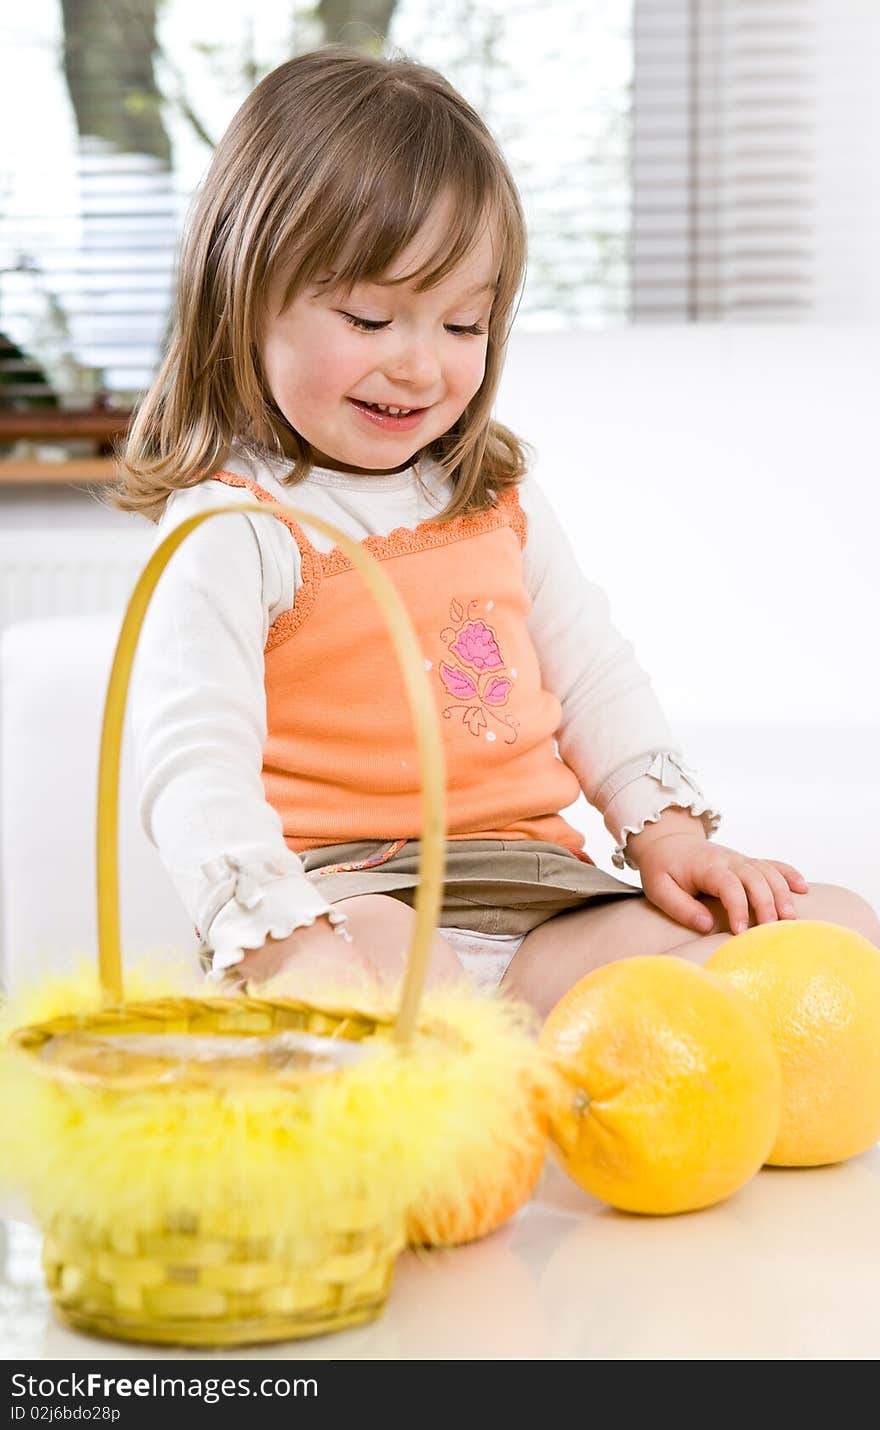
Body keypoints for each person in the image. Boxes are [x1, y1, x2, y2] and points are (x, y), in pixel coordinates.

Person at [111, 47, 880, 1021]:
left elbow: (595, 676)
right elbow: (193, 764)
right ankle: (477, 1066)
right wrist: (280, 931)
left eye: (463, 325)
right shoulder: (233, 524)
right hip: (349, 893)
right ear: (243, 293)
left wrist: (670, 834)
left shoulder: (493, 497)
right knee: (396, 986)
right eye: (371, 315)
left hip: (542, 900)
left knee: (834, 928)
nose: (420, 367)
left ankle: (557, 1054)